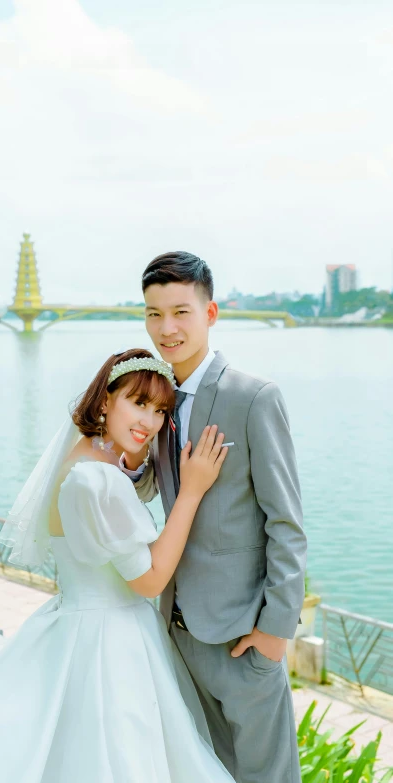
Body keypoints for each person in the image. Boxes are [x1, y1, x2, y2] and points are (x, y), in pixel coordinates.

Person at [0, 348, 235, 783]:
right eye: (139, 403)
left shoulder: (92, 458)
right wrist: (193, 491)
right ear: (106, 401)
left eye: (161, 410)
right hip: (111, 636)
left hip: (79, 620)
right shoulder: (97, 480)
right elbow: (150, 580)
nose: (150, 421)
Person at [122, 253, 308, 783]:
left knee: (266, 776)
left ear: (211, 313)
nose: (167, 328)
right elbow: (154, 488)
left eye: (181, 311)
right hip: (175, 631)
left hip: (241, 635)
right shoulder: (155, 399)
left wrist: (275, 633)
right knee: (201, 771)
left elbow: (286, 524)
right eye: (153, 314)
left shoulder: (253, 397)